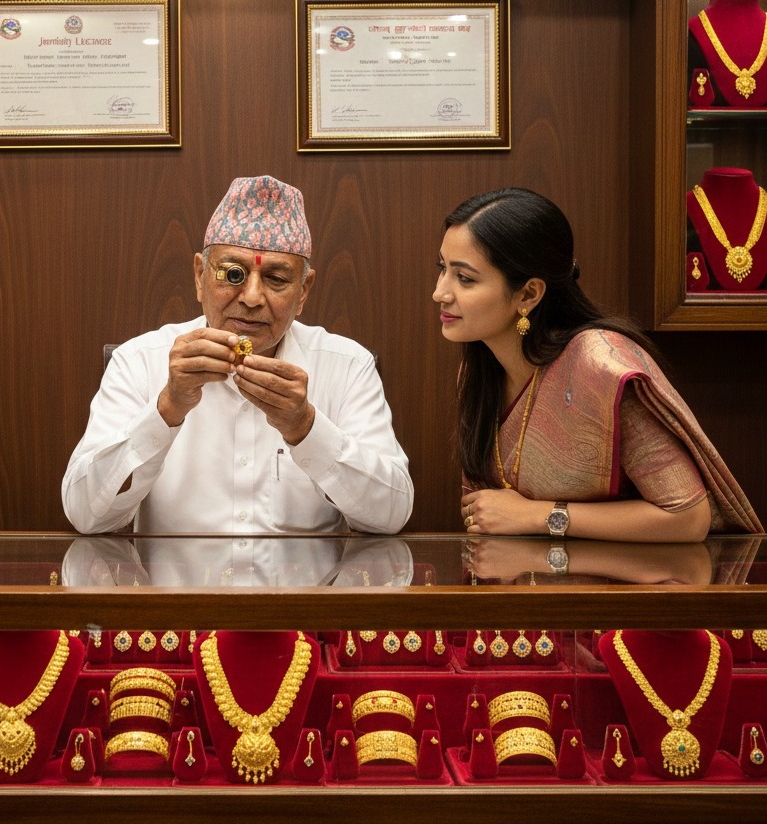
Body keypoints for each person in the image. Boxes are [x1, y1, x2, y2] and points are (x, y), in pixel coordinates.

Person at [62, 175, 413, 554]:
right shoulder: (140, 361)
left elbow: (390, 516)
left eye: (277, 279)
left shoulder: (346, 366)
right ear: (199, 276)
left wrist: (305, 426)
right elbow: (87, 516)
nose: (251, 297)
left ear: (304, 291)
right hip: (176, 609)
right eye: (232, 274)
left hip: (304, 609)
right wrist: (168, 407)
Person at [433, 186, 762, 543]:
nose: (440, 292)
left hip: (626, 587)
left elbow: (686, 516)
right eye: (443, 269)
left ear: (529, 294)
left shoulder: (600, 367)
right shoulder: (477, 371)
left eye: (464, 278)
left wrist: (540, 515)